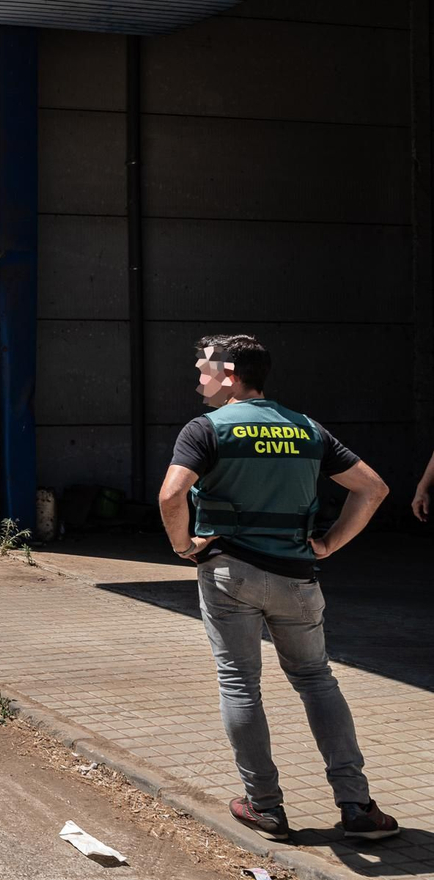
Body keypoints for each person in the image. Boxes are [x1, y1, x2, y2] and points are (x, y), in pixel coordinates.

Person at [157, 333, 398, 842]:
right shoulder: (308, 429)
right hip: (297, 578)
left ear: (229, 375)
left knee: (240, 685)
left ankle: (265, 807)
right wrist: (329, 544)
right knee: (316, 680)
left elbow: (172, 495)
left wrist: (184, 546)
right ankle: (357, 806)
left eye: (204, 371)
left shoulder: (206, 429)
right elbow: (373, 489)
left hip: (230, 575)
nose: (198, 381)